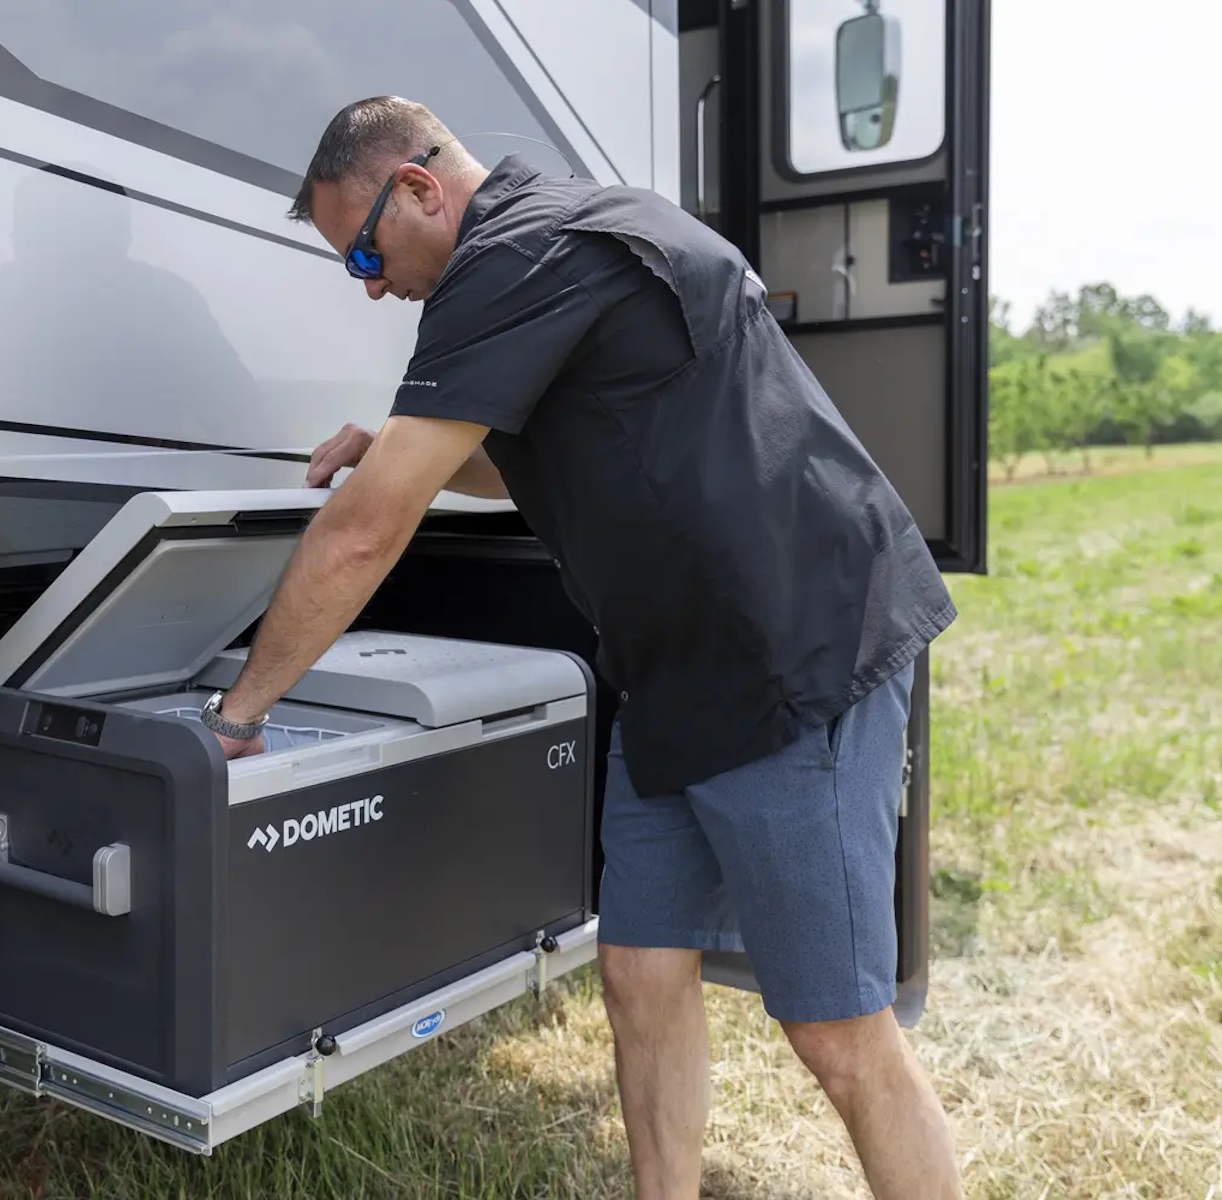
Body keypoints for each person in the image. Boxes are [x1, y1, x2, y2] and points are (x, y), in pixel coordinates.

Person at [192, 96, 962, 1200]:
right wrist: (394, 450)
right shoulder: (543, 248)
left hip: (795, 659)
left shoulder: (520, 257)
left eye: (364, 252)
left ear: (418, 189)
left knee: (839, 1035)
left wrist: (238, 715)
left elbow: (364, 535)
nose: (368, 285)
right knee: (639, 974)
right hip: (672, 673)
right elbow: (531, 456)